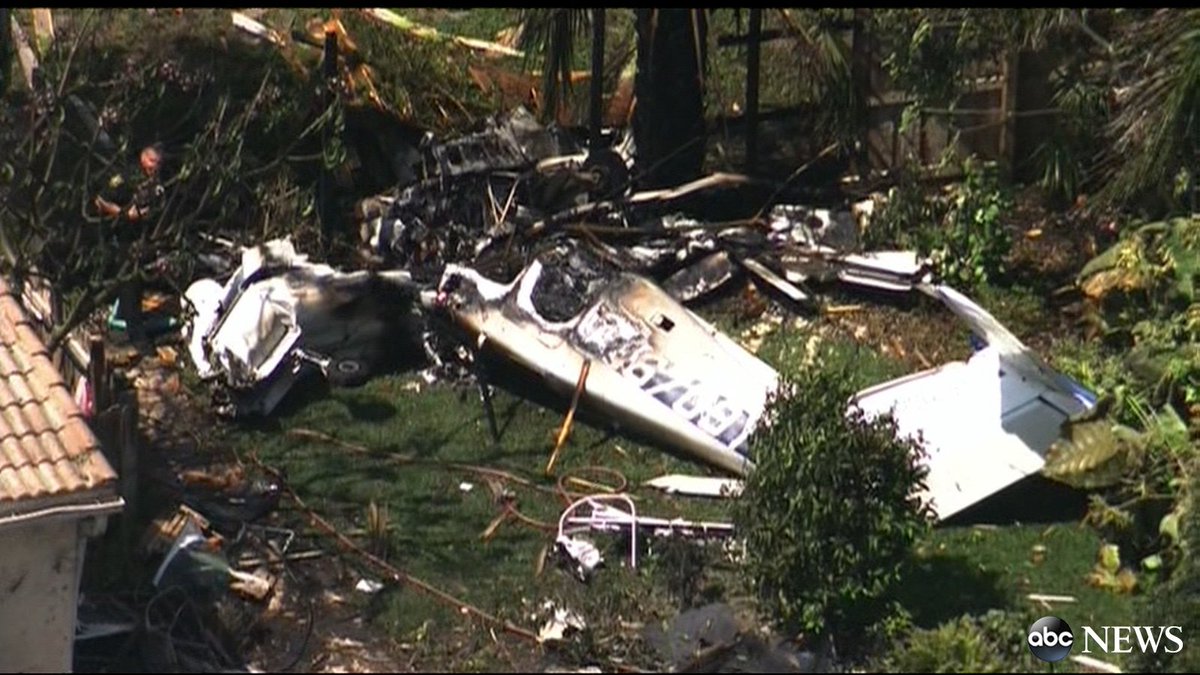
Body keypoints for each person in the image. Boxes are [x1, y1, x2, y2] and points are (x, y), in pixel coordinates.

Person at [94, 144, 165, 223]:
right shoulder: (127, 175)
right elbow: (101, 199)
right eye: (152, 161)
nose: (155, 166)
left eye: (158, 163)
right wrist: (124, 214)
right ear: (143, 158)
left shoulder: (156, 181)